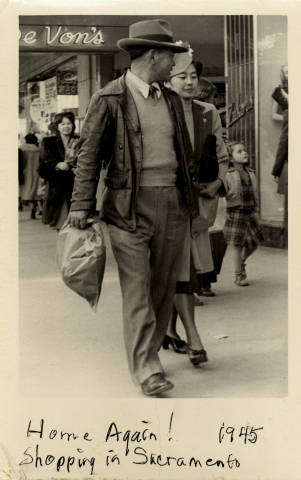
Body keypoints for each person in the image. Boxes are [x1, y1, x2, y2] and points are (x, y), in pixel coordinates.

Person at [68, 19, 198, 396]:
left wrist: (193, 201)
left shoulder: (171, 99)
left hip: (172, 202)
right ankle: (146, 369)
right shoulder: (109, 98)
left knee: (161, 288)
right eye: (170, 57)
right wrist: (81, 204)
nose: (174, 65)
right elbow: (89, 157)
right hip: (127, 207)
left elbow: (184, 156)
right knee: (138, 289)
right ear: (154, 55)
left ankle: (151, 350)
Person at [163, 45, 228, 365]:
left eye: (193, 76)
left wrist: (217, 184)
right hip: (167, 205)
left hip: (199, 204)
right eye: (181, 76)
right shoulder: (160, 110)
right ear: (168, 80)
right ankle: (192, 336)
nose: (189, 82)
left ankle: (171, 331)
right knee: (179, 271)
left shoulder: (208, 112)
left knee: (183, 270)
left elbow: (222, 157)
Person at [223, 141, 263, 286]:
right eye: (239, 151)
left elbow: (255, 194)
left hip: (250, 210)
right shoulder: (228, 174)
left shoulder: (251, 173)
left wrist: (257, 210)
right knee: (237, 244)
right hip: (236, 211)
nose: (244, 153)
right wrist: (224, 213)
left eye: (245, 150)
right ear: (231, 158)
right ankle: (238, 275)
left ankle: (241, 261)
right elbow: (223, 196)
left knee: (255, 242)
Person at [38, 111, 79, 230]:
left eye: (69, 123)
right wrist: (56, 165)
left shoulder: (79, 140)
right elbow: (41, 169)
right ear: (57, 126)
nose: (66, 126)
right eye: (62, 124)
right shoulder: (48, 142)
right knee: (61, 227)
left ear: (73, 125)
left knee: (76, 227)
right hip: (57, 191)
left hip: (76, 190)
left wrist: (77, 169)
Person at [271, 64, 288, 247]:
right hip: (286, 133)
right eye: (286, 70)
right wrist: (289, 116)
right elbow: (273, 115)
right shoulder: (279, 91)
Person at [20, 133, 41, 219]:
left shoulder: (21, 149)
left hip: (25, 172)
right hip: (36, 173)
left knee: (23, 191)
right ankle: (33, 208)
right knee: (35, 192)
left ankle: (20, 204)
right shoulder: (39, 150)